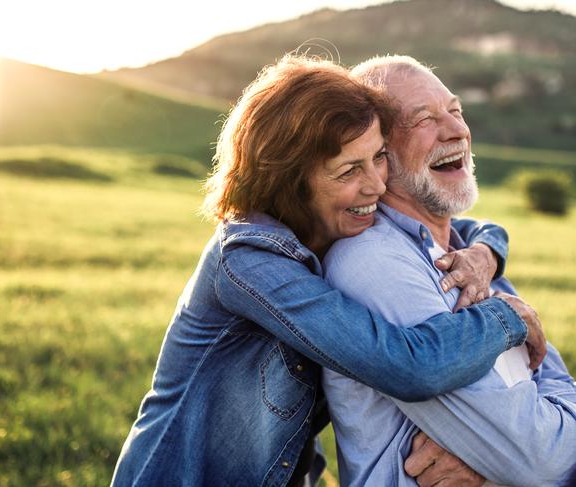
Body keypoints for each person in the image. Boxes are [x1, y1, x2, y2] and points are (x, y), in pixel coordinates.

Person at [110, 55, 544, 487]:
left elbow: (462, 228)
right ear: (290, 181)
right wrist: (509, 318)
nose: (375, 184)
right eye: (349, 170)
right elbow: (408, 367)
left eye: (377, 157)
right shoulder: (247, 261)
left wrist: (487, 251)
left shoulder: (332, 225)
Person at [323, 55, 576, 487]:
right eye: (424, 119)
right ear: (377, 152)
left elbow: (547, 379)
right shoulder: (375, 264)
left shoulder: (469, 257)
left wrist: (497, 457)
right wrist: (512, 454)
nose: (457, 130)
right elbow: (541, 459)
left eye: (455, 111)